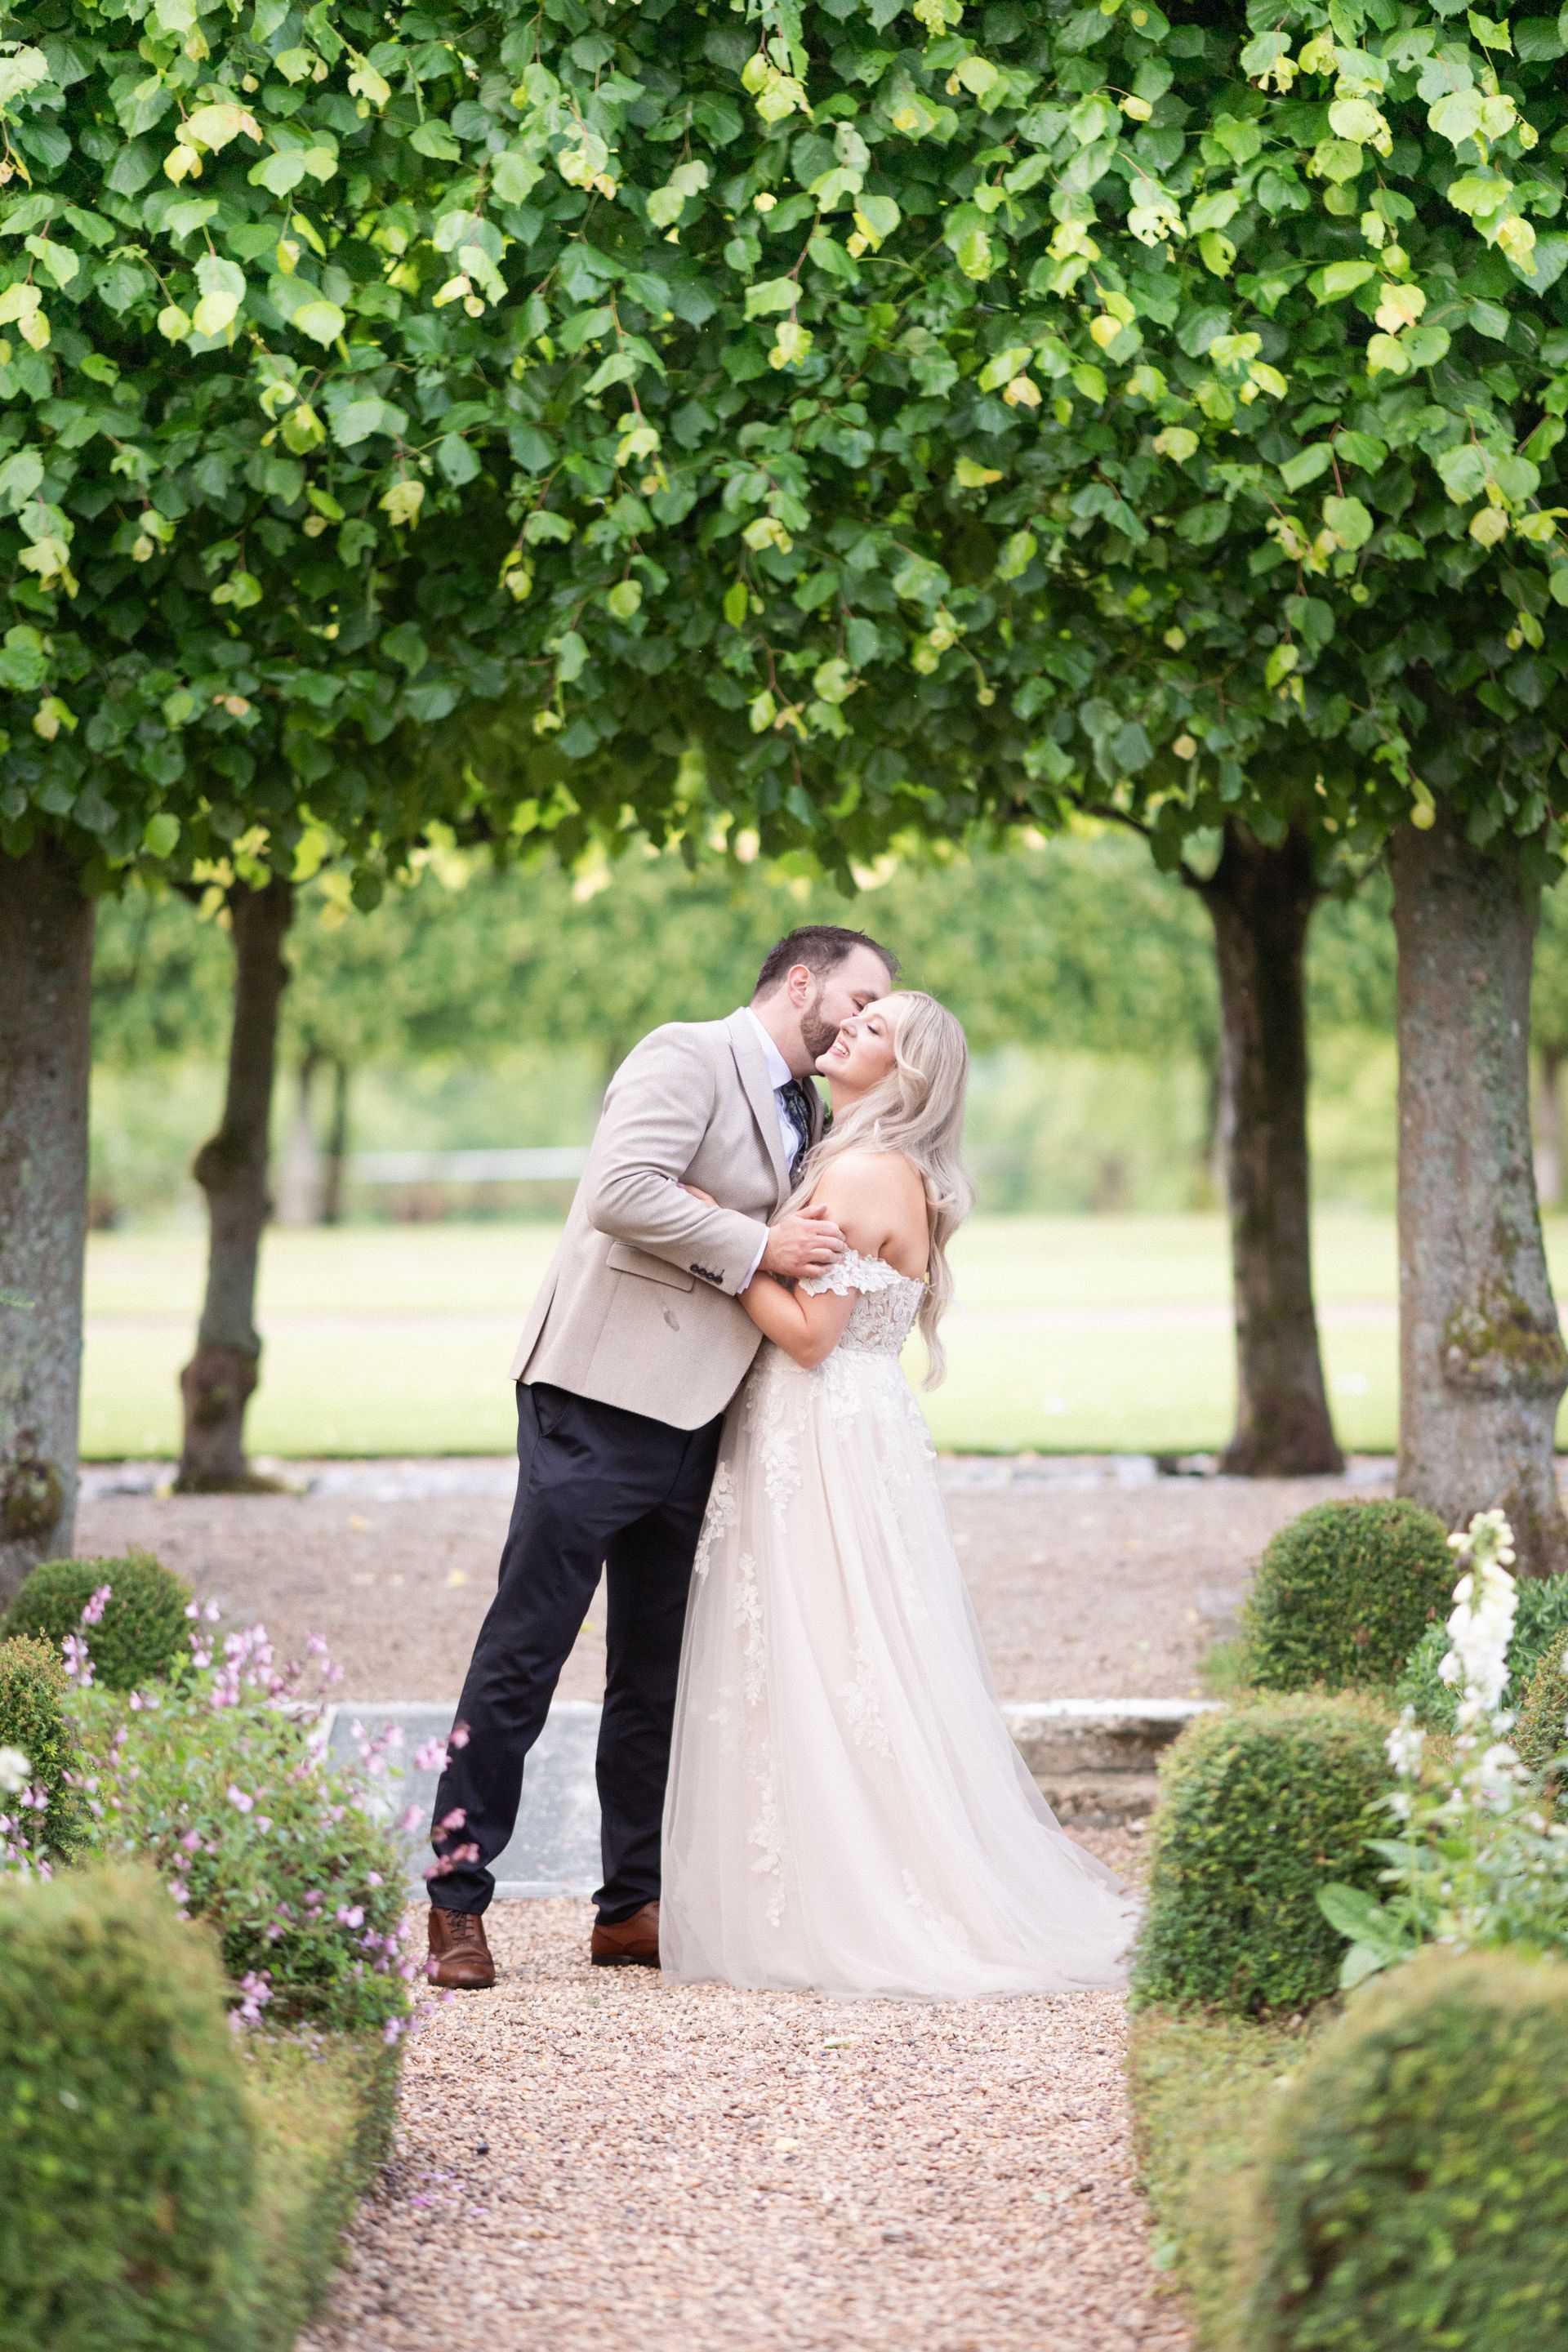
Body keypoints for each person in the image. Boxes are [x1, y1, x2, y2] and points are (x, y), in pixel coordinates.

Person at [425, 925, 898, 1988]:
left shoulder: (809, 1106)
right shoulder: (685, 1054)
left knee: (657, 1672)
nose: (866, 1021)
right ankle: (455, 1899)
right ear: (802, 980)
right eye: (861, 998)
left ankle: (629, 1905)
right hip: (595, 1399)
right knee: (526, 1650)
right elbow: (621, 1189)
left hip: (705, 1422)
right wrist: (757, 1244)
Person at [661, 991, 1137, 1998]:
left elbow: (807, 1334)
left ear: (907, 1075)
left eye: (874, 1031)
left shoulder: (867, 1171)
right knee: (836, 1645)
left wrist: (720, 1241)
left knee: (835, 1644)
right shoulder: (868, 1163)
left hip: (823, 1427)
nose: (849, 1031)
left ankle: (858, 1897)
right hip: (839, 1430)